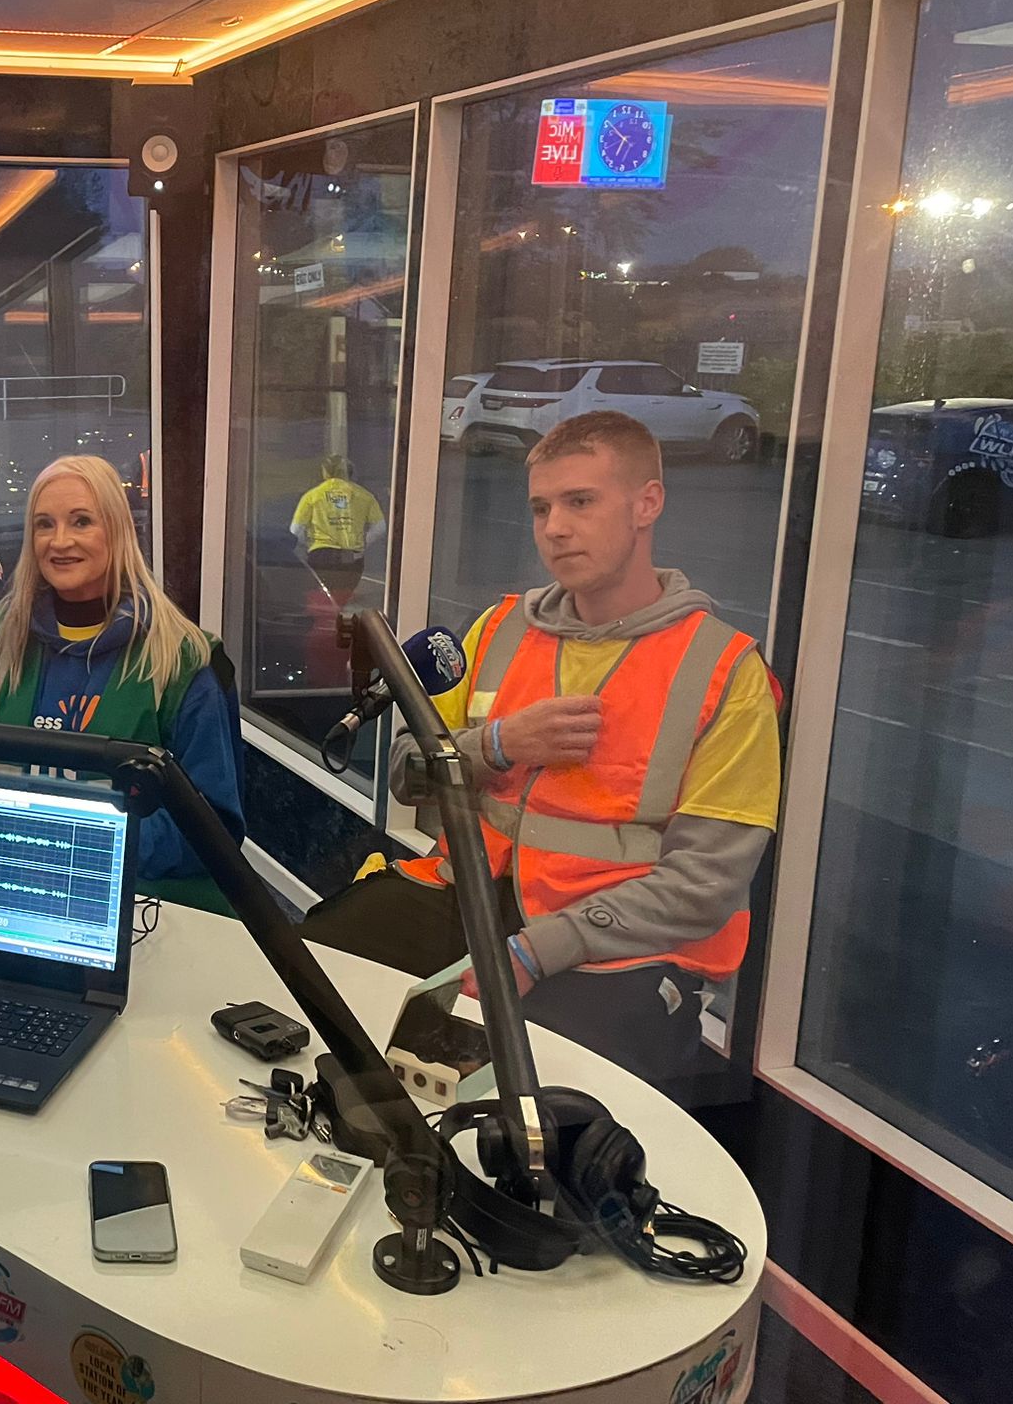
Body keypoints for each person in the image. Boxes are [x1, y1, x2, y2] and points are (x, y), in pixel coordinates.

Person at [300, 412, 781, 1086]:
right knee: (312, 968)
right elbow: (408, 774)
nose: (555, 527)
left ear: (647, 503)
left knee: (547, 1092)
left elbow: (706, 887)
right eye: (541, 508)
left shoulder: (724, 671)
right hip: (465, 895)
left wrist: (537, 950)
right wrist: (497, 745)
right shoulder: (497, 629)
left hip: (617, 941)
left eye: (580, 501)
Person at [0, 454, 245, 912]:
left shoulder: (182, 659)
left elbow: (212, 828)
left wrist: (74, 851)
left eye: (81, 521)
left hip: (144, 907)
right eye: (44, 524)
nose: (60, 541)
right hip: (10, 894)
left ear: (117, 531)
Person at [289, 454, 386, 607]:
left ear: (325, 472)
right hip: (351, 557)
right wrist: (362, 543)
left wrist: (308, 546)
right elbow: (380, 527)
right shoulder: (365, 496)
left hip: (320, 555)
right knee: (341, 602)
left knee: (323, 603)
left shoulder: (312, 496)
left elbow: (295, 531)